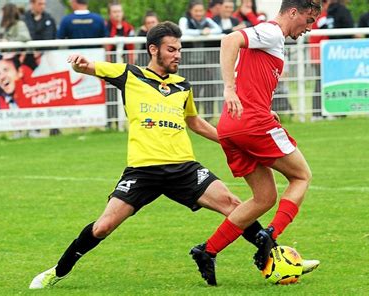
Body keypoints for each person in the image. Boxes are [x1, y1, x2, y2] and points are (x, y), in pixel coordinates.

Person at [29, 21, 268, 289]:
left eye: (179, 49)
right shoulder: (129, 75)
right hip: (142, 171)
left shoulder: (182, 86)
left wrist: (231, 141)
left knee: (234, 205)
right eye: (171, 49)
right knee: (103, 227)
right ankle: (58, 271)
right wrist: (78, 63)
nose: (177, 54)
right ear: (153, 50)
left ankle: (277, 259)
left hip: (183, 168)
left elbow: (196, 123)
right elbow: (87, 67)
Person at [189, 0, 321, 286]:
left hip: (231, 126)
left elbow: (252, 75)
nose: (309, 28)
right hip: (251, 124)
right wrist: (229, 89)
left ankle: (207, 251)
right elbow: (230, 39)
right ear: (293, 12)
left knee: (264, 198)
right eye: (309, 20)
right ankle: (270, 236)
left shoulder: (272, 40)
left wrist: (261, 104)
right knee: (301, 176)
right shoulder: (272, 31)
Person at [179, 1, 222, 121]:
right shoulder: (184, 20)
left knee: (210, 89)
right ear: (190, 11)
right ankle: (192, 118)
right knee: (193, 92)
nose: (199, 13)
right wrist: (200, 32)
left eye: (201, 11)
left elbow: (218, 29)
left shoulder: (207, 21)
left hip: (204, 63)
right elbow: (183, 31)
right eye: (196, 11)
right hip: (189, 64)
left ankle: (208, 118)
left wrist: (207, 32)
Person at [309, 0, 329, 120]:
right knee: (319, 84)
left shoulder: (315, 15)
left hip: (317, 54)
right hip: (320, 54)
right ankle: (317, 113)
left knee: (320, 83)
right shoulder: (322, 16)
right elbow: (326, 29)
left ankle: (319, 113)